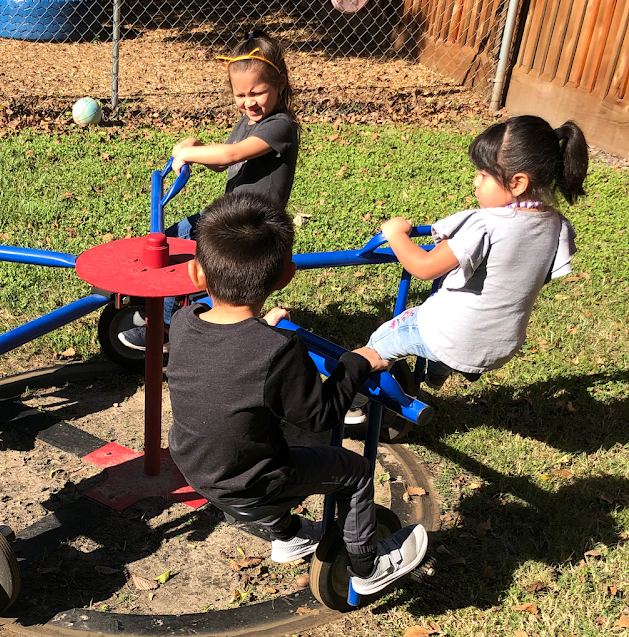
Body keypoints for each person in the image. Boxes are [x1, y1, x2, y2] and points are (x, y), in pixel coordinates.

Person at [167, 191, 428, 596]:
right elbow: (320, 416)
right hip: (250, 484)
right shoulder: (278, 351)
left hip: (194, 467)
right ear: (286, 276)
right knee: (355, 472)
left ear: (196, 274)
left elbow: (230, 355)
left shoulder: (185, 321)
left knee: (254, 444)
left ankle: (289, 536)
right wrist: (356, 363)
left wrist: (260, 328)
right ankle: (368, 565)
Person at [349, 115, 587, 418]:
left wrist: (395, 234)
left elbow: (424, 267)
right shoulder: (556, 226)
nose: (475, 180)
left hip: (453, 335)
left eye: (484, 174)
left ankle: (351, 407)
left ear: (517, 183)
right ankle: (438, 371)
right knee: (449, 326)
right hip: (502, 344)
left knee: (377, 344)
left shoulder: (485, 225)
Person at [118, 30, 299, 352]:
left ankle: (166, 328)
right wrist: (196, 145)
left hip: (254, 226)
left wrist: (189, 153)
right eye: (240, 95)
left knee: (184, 256)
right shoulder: (248, 122)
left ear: (279, 84)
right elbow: (221, 163)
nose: (248, 102)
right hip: (232, 215)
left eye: (257, 93)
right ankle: (176, 304)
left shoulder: (280, 125)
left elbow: (232, 154)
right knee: (170, 241)